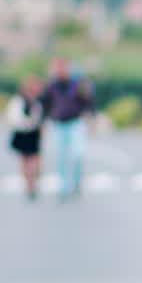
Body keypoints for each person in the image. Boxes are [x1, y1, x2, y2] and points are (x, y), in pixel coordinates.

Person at [39, 58, 95, 199]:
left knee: (78, 154)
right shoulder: (52, 86)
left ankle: (77, 182)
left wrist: (91, 118)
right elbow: (45, 105)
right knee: (61, 157)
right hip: (58, 125)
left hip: (75, 123)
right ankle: (64, 187)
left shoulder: (77, 84)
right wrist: (43, 123)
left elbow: (88, 101)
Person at [7, 77, 45, 200]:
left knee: (33, 159)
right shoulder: (19, 102)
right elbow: (14, 118)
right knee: (25, 160)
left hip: (32, 133)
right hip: (23, 133)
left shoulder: (36, 102)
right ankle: (29, 185)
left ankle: (32, 182)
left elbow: (39, 118)